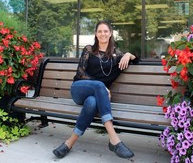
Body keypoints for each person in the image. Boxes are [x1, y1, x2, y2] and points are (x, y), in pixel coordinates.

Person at [52, 20, 139, 159]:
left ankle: (69, 143)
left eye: (106, 31)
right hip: (78, 89)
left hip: (95, 96)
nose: (103, 34)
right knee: (99, 85)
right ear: (96, 34)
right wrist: (102, 87)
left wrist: (128, 54)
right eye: (100, 31)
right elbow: (80, 74)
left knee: (92, 103)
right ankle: (114, 139)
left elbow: (136, 60)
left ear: (110, 34)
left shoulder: (116, 55)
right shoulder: (89, 50)